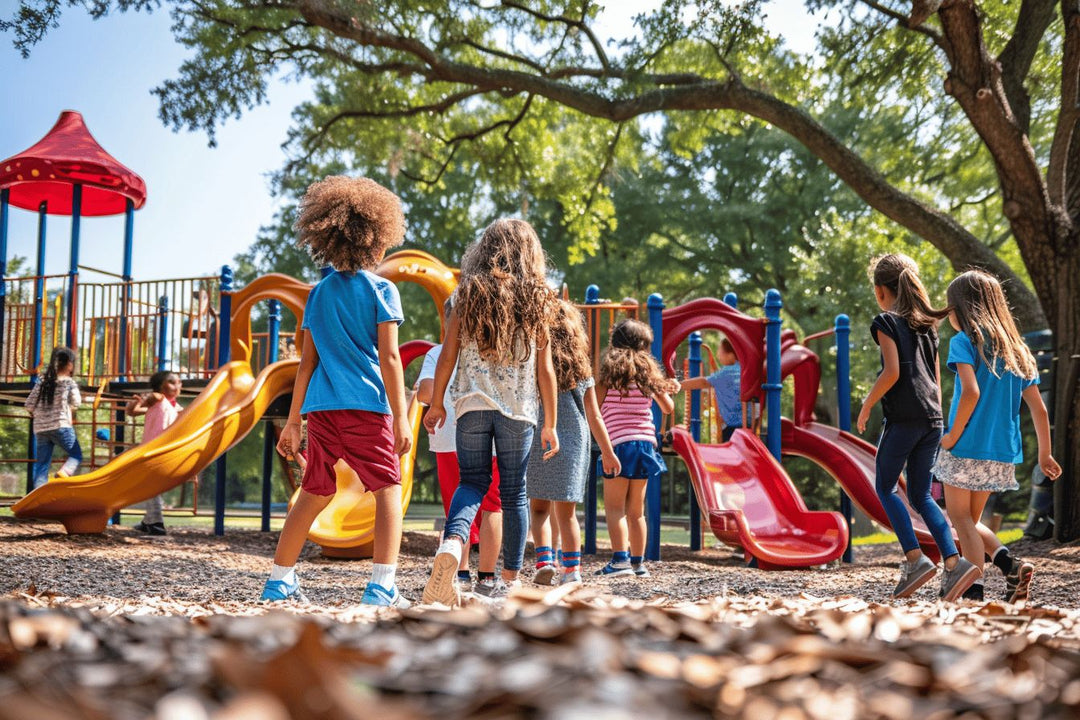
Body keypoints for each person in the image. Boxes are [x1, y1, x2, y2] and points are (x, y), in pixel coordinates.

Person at [262, 176, 412, 607]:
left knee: (316, 491)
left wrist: (294, 420)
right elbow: (390, 359)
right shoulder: (383, 289)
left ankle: (278, 580)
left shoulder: (318, 293)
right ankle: (382, 585)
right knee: (387, 489)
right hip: (367, 406)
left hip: (322, 411)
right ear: (377, 239)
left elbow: (305, 363)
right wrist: (401, 416)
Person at [421, 218, 561, 605]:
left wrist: (437, 405)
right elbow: (545, 369)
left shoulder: (465, 294)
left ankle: (451, 545)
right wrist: (551, 422)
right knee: (514, 492)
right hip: (519, 409)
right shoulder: (538, 297)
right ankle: (508, 581)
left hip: (471, 405)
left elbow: (447, 353)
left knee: (471, 483)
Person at [856, 253, 978, 602]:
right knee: (922, 495)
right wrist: (940, 422)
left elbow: (892, 371)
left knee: (885, 486)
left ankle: (915, 560)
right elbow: (937, 381)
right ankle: (954, 565)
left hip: (905, 418)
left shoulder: (885, 321)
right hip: (932, 419)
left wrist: (867, 404)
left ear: (881, 291)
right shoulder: (928, 325)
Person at [935, 270, 1062, 602]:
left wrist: (951, 436)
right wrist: (1045, 455)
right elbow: (1039, 409)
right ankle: (1007, 566)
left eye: (950, 308)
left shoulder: (963, 342)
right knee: (970, 522)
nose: (948, 315)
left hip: (965, 446)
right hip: (1002, 452)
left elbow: (970, 394)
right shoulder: (1016, 350)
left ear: (963, 308)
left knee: (961, 520)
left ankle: (972, 594)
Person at [527, 300, 621, 586]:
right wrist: (608, 452)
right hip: (574, 442)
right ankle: (572, 571)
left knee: (539, 508)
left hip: (541, 436)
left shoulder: (534, 367)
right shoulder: (583, 373)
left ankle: (545, 561)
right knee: (567, 514)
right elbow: (595, 415)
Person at [417, 305, 504, 593]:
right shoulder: (491, 352)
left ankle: (461, 574)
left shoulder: (437, 353)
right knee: (493, 505)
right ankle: (488, 577)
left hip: (447, 441)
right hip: (489, 439)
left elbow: (426, 393)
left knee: (457, 504)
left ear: (446, 321)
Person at [595, 319, 679, 578]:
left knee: (614, 508)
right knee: (636, 511)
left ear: (614, 344)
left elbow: (594, 408)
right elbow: (668, 408)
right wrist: (664, 387)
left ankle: (619, 561)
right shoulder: (647, 378)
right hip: (644, 444)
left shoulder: (609, 377)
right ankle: (638, 564)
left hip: (618, 444)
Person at [125, 370, 185, 535]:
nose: (177, 385)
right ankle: (152, 521)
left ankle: (153, 521)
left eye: (179, 382)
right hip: (151, 449)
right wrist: (137, 402)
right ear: (160, 386)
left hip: (163, 449)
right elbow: (132, 411)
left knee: (151, 485)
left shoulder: (177, 408)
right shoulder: (159, 398)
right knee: (150, 485)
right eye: (172, 382)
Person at [25, 346, 82, 490]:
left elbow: (29, 405)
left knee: (42, 464)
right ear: (70, 363)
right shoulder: (69, 382)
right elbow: (77, 402)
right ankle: (64, 472)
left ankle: (38, 495)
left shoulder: (42, 381)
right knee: (76, 454)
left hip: (40, 429)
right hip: (61, 426)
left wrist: (41, 415)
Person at [677, 337, 742, 442]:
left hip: (732, 427)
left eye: (720, 352)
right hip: (750, 423)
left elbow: (703, 382)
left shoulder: (726, 372)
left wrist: (679, 385)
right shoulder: (744, 370)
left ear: (731, 354)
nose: (717, 355)